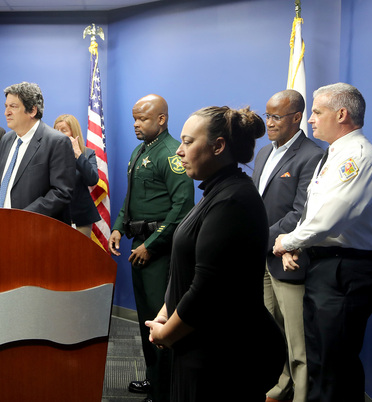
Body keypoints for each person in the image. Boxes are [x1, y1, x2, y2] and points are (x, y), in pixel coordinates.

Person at [145, 106, 286, 402]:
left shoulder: (234, 200)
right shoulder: (216, 191)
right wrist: (165, 312)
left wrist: (166, 334)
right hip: (198, 346)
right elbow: (186, 266)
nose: (179, 152)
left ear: (218, 146)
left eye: (187, 142)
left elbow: (207, 289)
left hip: (222, 357)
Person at [273, 83, 372, 402]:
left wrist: (288, 241)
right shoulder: (335, 155)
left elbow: (330, 218)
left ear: (341, 114)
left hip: (345, 270)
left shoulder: (358, 157)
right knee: (323, 364)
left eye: (316, 112)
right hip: (325, 265)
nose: (310, 119)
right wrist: (300, 244)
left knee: (333, 371)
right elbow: (316, 213)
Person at [108, 94, 194, 402]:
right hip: (138, 244)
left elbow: (183, 207)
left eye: (142, 119)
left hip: (160, 252)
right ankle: (154, 378)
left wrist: (152, 244)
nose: (135, 124)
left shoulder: (171, 154)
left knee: (161, 323)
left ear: (161, 119)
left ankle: (166, 388)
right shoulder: (141, 150)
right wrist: (119, 225)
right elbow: (130, 198)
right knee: (146, 318)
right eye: (134, 118)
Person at [252, 90, 324, 402]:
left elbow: (301, 212)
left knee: (298, 342)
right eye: (267, 115)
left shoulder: (313, 155)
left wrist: (259, 240)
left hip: (288, 260)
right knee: (271, 334)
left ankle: (301, 396)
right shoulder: (264, 153)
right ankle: (279, 386)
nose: (268, 123)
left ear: (297, 117)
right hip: (262, 262)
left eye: (276, 117)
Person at [0, 82, 75, 223]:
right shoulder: (6, 139)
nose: (6, 112)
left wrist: (22, 218)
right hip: (0, 226)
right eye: (6, 106)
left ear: (32, 111)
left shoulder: (57, 142)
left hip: (35, 230)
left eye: (13, 106)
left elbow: (61, 192)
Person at [54, 114, 101, 236]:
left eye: (63, 130)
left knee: (79, 253)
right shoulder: (49, 154)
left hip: (81, 217)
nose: (59, 134)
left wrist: (78, 155)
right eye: (56, 130)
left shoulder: (87, 153)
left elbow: (92, 180)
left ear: (73, 133)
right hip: (56, 216)